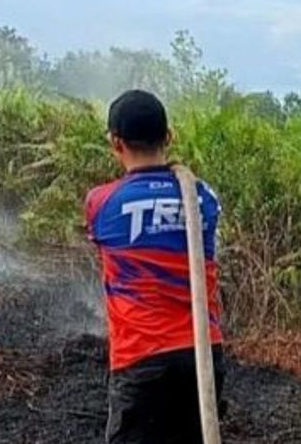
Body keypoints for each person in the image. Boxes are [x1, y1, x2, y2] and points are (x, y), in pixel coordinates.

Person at [84, 89, 225, 444]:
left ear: (116, 143)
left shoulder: (101, 203)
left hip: (142, 359)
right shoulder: (204, 198)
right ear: (170, 136)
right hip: (203, 357)